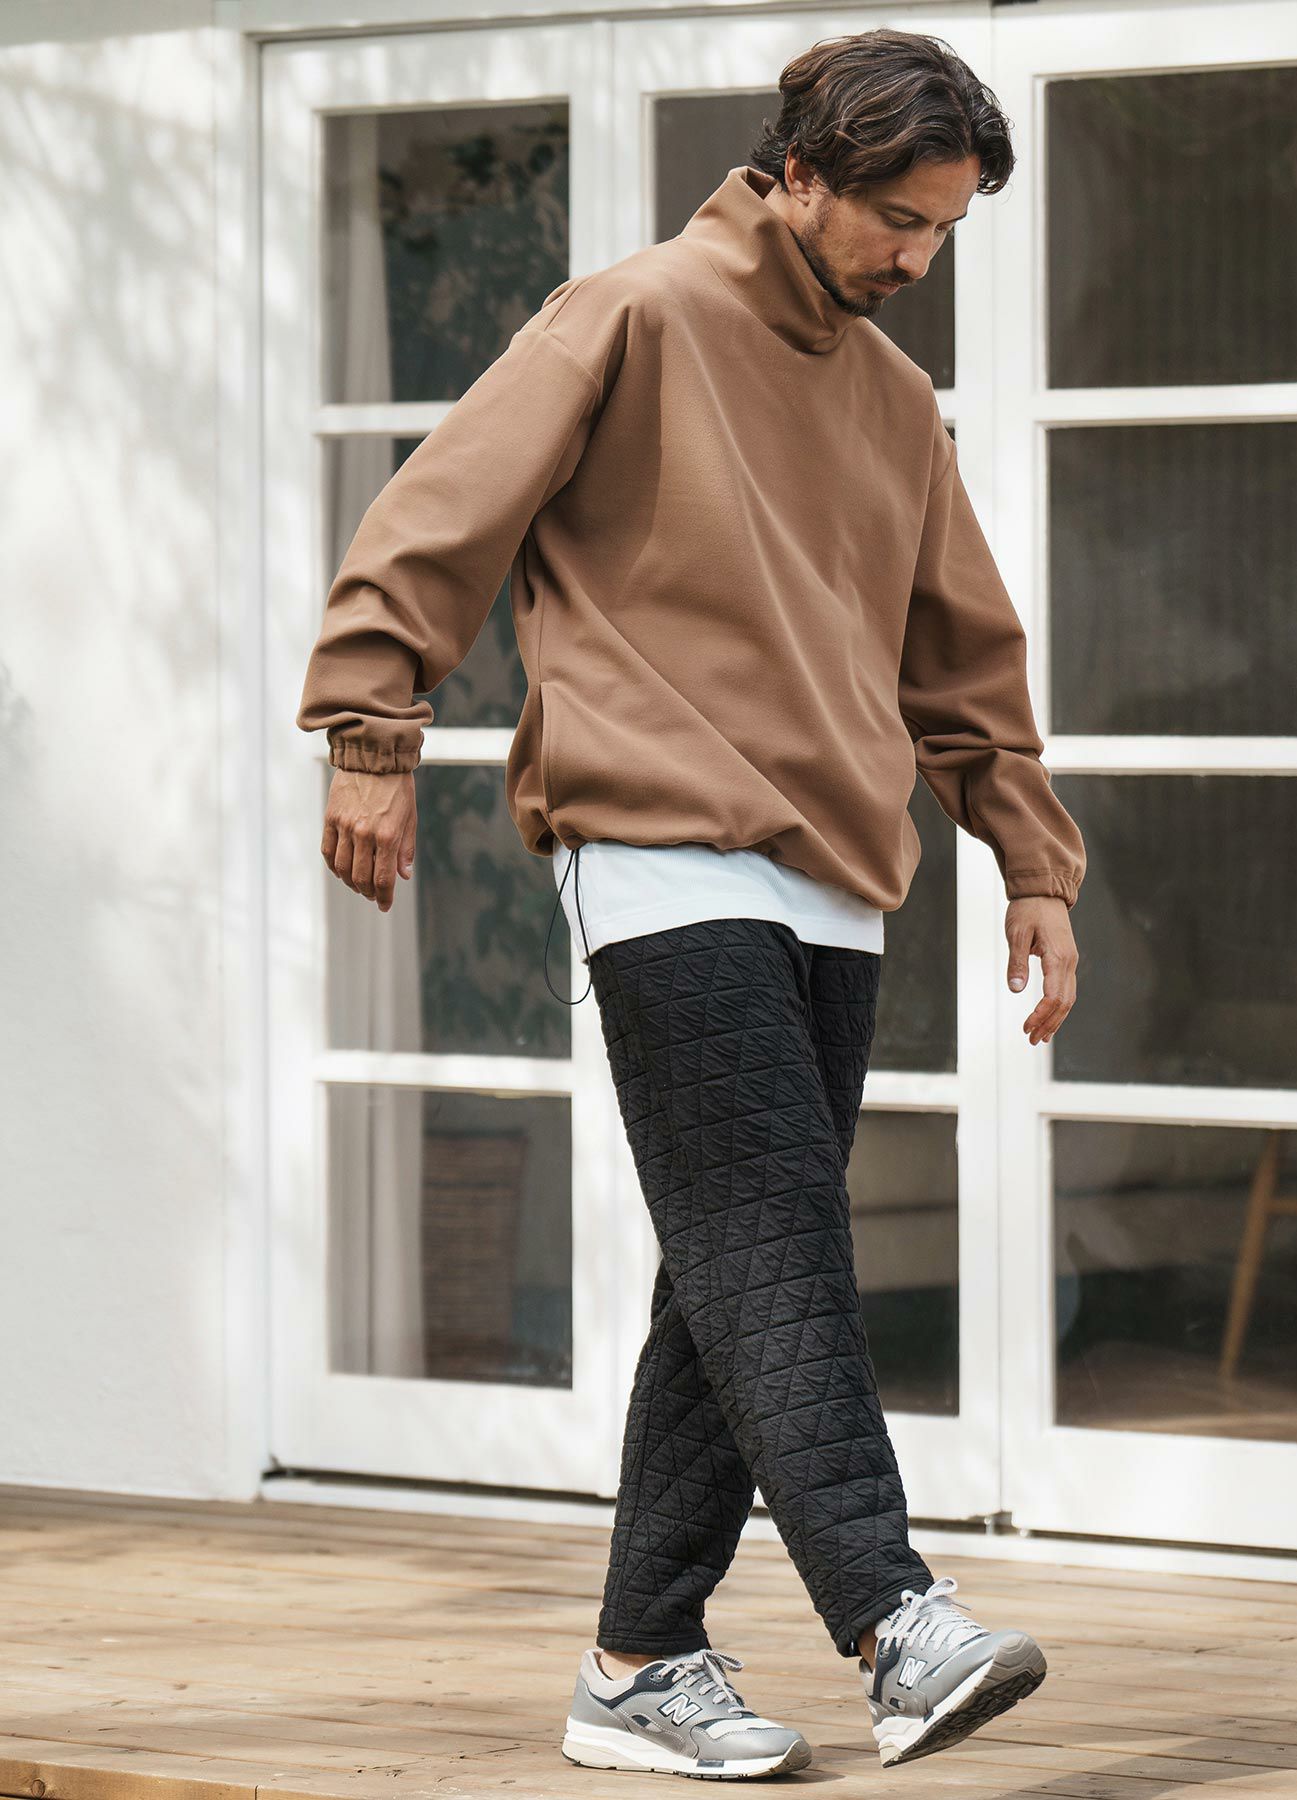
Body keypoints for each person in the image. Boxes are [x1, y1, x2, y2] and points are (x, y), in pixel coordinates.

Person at [297, 24, 1084, 1780]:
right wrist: (371, 731)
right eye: (898, 217)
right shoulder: (631, 315)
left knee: (733, 1270)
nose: (919, 257)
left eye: (946, 229)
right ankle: (895, 1618)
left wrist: (1031, 860)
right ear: (798, 174)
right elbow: (436, 518)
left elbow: (964, 659)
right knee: (775, 1242)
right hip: (657, 839)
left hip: (837, 873)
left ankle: (639, 1660)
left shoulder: (894, 400)